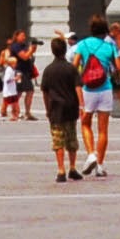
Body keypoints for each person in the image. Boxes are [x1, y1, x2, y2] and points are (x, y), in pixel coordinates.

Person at [72, 21, 120, 175]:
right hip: (105, 88)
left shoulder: (83, 44)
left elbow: (74, 65)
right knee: (103, 130)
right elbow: (118, 68)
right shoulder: (110, 46)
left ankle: (91, 154)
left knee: (85, 123)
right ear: (105, 32)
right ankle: (100, 165)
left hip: (88, 89)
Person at [40, 33, 87, 181]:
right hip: (71, 107)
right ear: (65, 50)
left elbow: (45, 92)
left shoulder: (48, 70)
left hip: (55, 109)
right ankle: (73, 168)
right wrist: (82, 106)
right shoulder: (71, 68)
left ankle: (61, 170)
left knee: (58, 139)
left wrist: (47, 109)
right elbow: (78, 87)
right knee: (71, 138)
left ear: (52, 51)